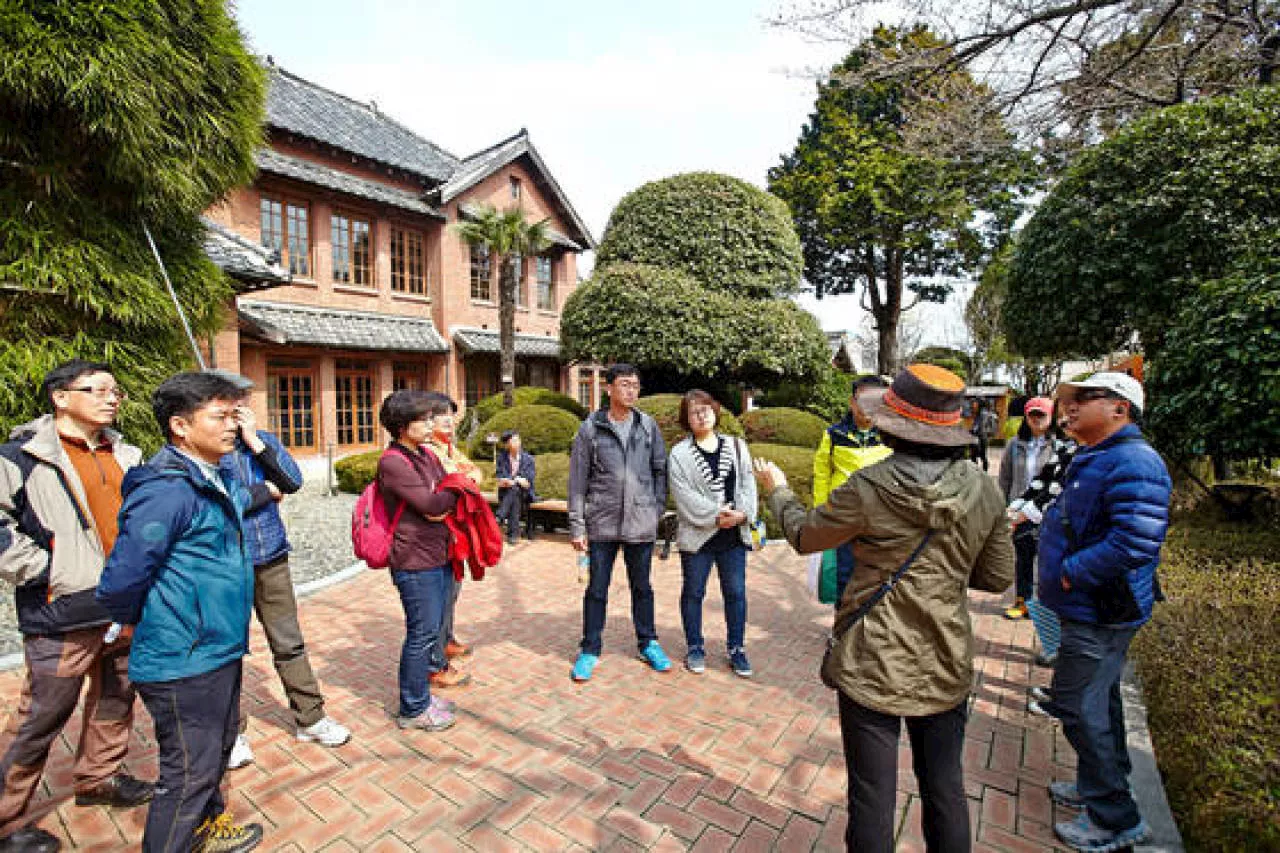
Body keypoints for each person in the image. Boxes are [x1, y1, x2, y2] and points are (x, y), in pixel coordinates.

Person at [754, 364, 1014, 852]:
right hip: (945, 657)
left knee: (872, 797)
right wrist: (948, 571)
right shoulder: (985, 489)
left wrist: (779, 492)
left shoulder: (869, 487)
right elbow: (997, 576)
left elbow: (807, 535)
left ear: (895, 424)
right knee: (945, 789)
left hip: (872, 657)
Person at [96, 372, 269, 853]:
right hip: (182, 655)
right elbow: (121, 578)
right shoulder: (166, 490)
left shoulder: (214, 475)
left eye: (234, 416)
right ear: (180, 425)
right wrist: (134, 619)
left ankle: (208, 830)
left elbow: (273, 486)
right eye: (220, 417)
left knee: (212, 755)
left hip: (217, 646)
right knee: (188, 771)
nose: (232, 427)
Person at [0, 360, 154, 853]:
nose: (112, 398)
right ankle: (5, 821)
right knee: (40, 718)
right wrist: (47, 569)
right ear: (60, 397)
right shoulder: (21, 457)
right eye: (98, 389)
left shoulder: (127, 453)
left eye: (116, 391)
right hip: (62, 612)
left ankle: (97, 780)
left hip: (126, 606)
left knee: (116, 698)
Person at [1036, 372, 1170, 852]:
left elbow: (1135, 539)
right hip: (1087, 607)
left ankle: (1116, 818)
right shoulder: (1101, 455)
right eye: (1067, 400)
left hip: (1097, 608)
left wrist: (1072, 572)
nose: (1069, 407)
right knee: (1099, 702)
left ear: (1120, 408)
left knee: (1077, 706)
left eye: (1083, 399)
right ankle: (1100, 785)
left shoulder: (1134, 461)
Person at [210, 371, 350, 772]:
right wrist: (263, 493)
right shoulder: (203, 449)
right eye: (227, 404)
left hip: (271, 555)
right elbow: (219, 505)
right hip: (223, 563)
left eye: (242, 402)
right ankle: (231, 731)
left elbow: (291, 480)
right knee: (226, 649)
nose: (236, 411)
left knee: (288, 641)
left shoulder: (263, 442)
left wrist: (255, 443)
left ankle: (311, 717)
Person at [567, 363, 669, 682]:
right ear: (609, 388)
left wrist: (655, 510)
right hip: (602, 522)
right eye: (624, 384)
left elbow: (660, 471)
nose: (630, 391)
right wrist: (577, 525)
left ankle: (648, 642)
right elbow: (577, 480)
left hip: (640, 522)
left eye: (635, 386)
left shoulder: (648, 426)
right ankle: (590, 648)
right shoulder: (591, 428)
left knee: (643, 587)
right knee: (597, 589)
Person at [375, 390, 459, 731]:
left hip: (436, 552)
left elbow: (443, 490)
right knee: (421, 634)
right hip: (413, 559)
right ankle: (412, 708)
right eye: (422, 419)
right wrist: (454, 491)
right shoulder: (393, 461)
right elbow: (432, 503)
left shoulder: (424, 454)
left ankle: (421, 695)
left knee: (432, 628)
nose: (430, 424)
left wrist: (447, 493)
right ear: (401, 425)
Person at [668, 391, 758, 677]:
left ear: (715, 411)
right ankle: (694, 646)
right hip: (698, 536)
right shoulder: (680, 454)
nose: (702, 415)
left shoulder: (737, 446)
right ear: (687, 419)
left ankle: (737, 648)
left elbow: (748, 484)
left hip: (733, 536)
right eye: (694, 411)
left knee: (736, 593)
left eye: (706, 409)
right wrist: (718, 516)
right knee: (694, 592)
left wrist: (743, 514)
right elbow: (684, 496)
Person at [811, 375, 892, 604]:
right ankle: (842, 628)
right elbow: (821, 474)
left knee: (876, 575)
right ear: (852, 402)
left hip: (880, 518)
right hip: (843, 515)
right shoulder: (834, 434)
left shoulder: (891, 436)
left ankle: (869, 628)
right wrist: (820, 511)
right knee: (843, 573)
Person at [420, 393, 478, 687]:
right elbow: (456, 482)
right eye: (442, 414)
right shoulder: (428, 453)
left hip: (454, 533)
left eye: (451, 414)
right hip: (436, 536)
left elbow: (473, 474)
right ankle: (435, 661)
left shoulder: (448, 448)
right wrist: (466, 480)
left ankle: (446, 640)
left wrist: (468, 479)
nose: (450, 420)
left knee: (451, 591)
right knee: (439, 598)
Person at [998, 396, 1056, 620]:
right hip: (1018, 510)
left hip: (1047, 512)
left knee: (1046, 560)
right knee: (1022, 559)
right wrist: (1003, 507)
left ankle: (1043, 606)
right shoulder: (1015, 444)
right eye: (1032, 414)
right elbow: (1004, 478)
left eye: (1041, 414)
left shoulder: (1059, 446)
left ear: (1051, 417)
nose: (1036, 419)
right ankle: (1022, 602)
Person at [494, 430, 537, 543]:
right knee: (514, 492)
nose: (517, 442)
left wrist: (516, 480)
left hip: (525, 493)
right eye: (513, 440)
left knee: (515, 489)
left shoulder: (528, 459)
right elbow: (499, 478)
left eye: (518, 439)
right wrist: (506, 481)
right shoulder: (501, 458)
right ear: (507, 444)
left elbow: (528, 484)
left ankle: (500, 516)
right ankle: (513, 534)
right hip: (506, 492)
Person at [970, 399, 997, 471]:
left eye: (975, 404)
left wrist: (972, 431)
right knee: (980, 455)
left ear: (979, 405)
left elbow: (979, 426)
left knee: (978, 455)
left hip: (981, 437)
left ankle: (981, 471)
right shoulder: (980, 413)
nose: (973, 405)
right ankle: (982, 470)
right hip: (982, 436)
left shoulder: (982, 414)